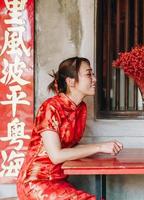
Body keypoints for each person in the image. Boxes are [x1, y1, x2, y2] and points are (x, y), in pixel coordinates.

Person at [17, 57, 123, 199]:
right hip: (36, 183)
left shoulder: (81, 108)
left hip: (59, 181)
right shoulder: (51, 107)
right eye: (88, 74)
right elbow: (56, 156)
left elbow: (71, 148)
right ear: (71, 81)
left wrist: (103, 147)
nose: (94, 79)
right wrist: (99, 147)